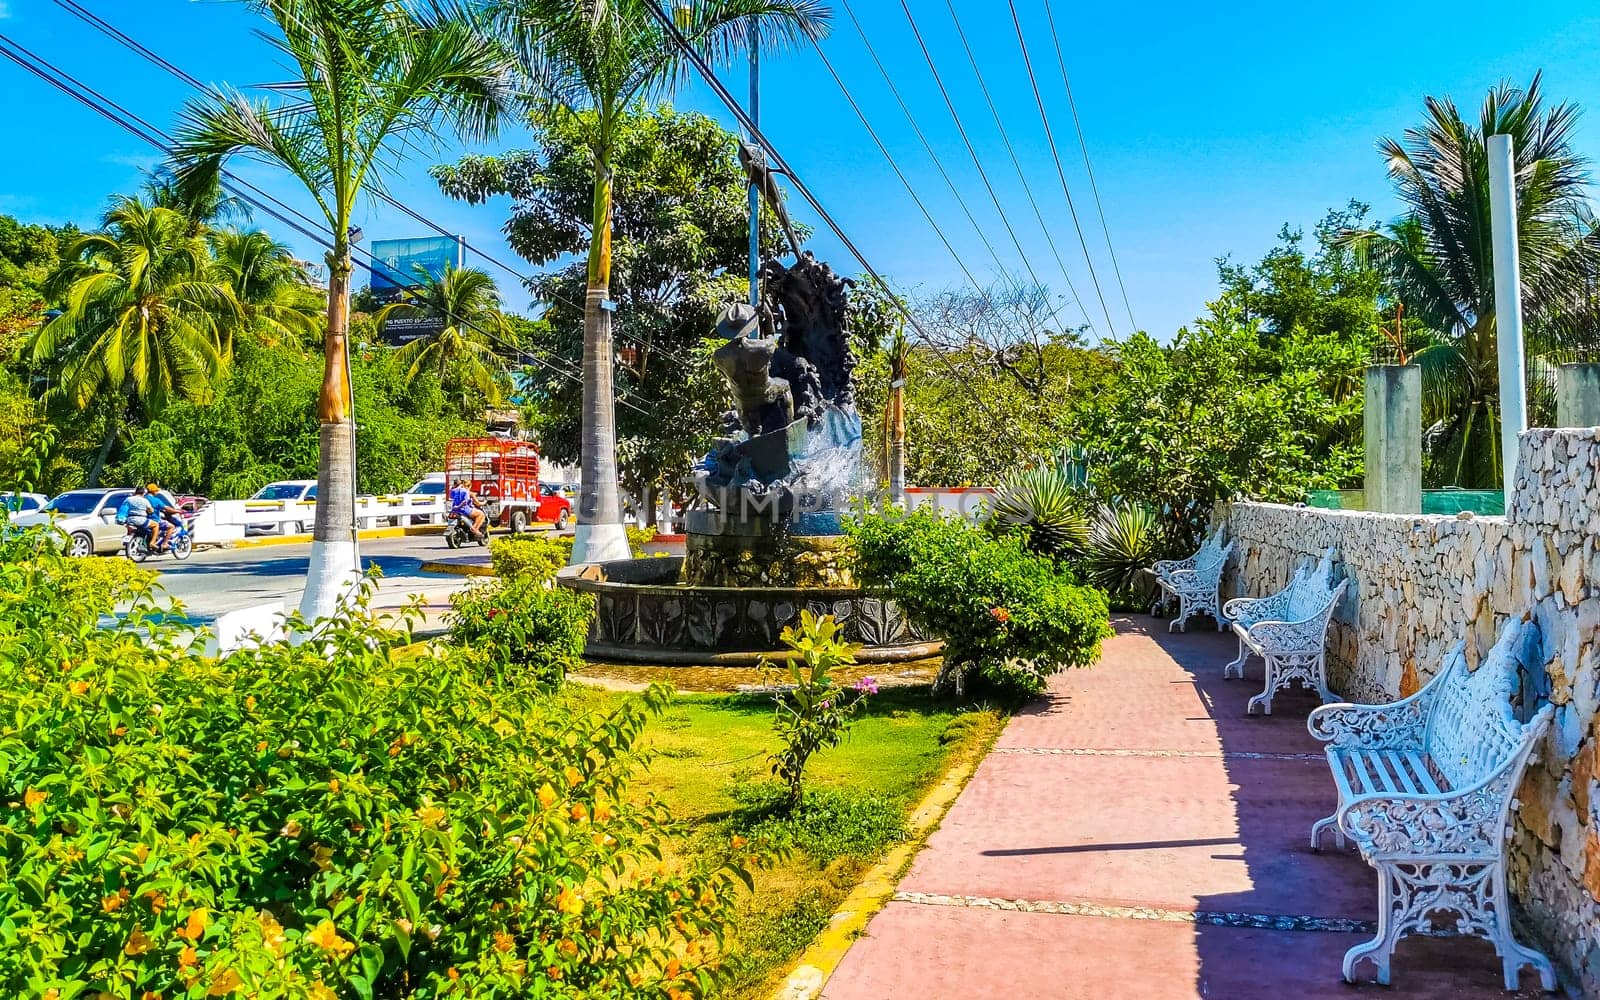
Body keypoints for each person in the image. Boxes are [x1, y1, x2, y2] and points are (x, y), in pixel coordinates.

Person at [147, 482, 183, 550]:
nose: (157, 492)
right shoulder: (156, 500)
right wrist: (178, 511)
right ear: (153, 491)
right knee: (171, 526)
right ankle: (165, 543)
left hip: (145, 519)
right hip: (154, 519)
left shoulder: (144, 498)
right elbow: (166, 508)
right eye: (156, 490)